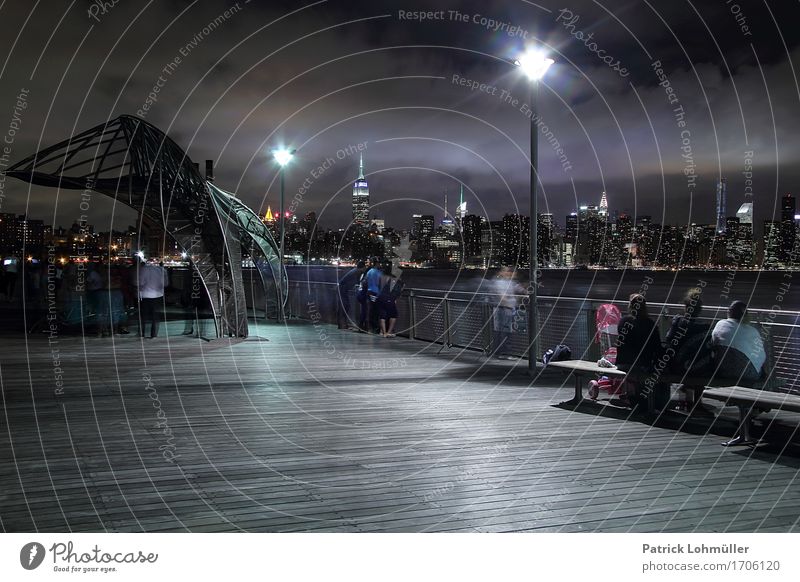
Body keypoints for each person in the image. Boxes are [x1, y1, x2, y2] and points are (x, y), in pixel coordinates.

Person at [616, 293, 662, 407]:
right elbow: (657, 346)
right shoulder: (650, 324)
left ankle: (632, 395)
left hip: (623, 363)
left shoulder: (623, 321)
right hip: (643, 365)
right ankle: (647, 398)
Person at [711, 300, 765, 382]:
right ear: (745, 315)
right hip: (746, 374)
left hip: (723, 372)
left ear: (729, 313)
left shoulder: (720, 324)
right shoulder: (751, 330)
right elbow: (762, 356)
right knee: (762, 370)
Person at [663, 287, 713, 375]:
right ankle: (692, 387)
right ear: (699, 310)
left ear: (686, 308)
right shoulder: (706, 328)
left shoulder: (678, 322)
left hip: (677, 367)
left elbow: (668, 341)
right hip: (699, 369)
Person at [490, 267, 524, 360]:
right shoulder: (499, 282)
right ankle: (504, 353)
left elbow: (522, 290)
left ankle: (500, 352)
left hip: (507, 309)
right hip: (504, 309)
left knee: (504, 331)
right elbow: (502, 297)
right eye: (508, 272)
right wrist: (509, 305)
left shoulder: (511, 282)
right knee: (505, 332)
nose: (510, 273)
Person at [135, 259, 168, 338]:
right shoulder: (162, 270)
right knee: (155, 316)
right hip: (158, 295)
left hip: (145, 295)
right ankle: (153, 334)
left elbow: (141, 283)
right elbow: (165, 284)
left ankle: (142, 333)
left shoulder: (144, 269)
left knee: (143, 315)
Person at [378, 261, 404, 337]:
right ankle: (388, 332)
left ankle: (382, 332)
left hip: (381, 297)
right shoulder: (395, 279)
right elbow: (398, 290)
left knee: (382, 315)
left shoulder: (382, 276)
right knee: (393, 315)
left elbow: (380, 286)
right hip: (389, 298)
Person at [337, 260, 366, 329]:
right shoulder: (356, 272)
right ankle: (342, 325)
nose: (365, 269)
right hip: (342, 290)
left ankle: (343, 324)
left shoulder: (355, 271)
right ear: (362, 267)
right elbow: (355, 283)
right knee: (345, 306)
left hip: (343, 289)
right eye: (364, 267)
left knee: (345, 306)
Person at [364, 256, 383, 333]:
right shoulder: (379, 273)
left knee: (369, 310)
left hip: (369, 292)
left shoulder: (369, 272)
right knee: (376, 311)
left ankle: (369, 328)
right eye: (379, 263)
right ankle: (376, 328)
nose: (380, 265)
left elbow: (365, 281)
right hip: (376, 293)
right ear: (377, 264)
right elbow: (381, 284)